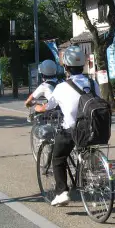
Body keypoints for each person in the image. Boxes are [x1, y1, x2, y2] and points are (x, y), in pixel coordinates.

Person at [34, 46, 100, 207]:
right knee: (85, 150)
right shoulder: (92, 83)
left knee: (58, 158)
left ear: (66, 67)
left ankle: (62, 192)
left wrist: (38, 108)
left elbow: (48, 106)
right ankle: (89, 176)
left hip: (71, 131)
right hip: (93, 129)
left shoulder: (62, 87)